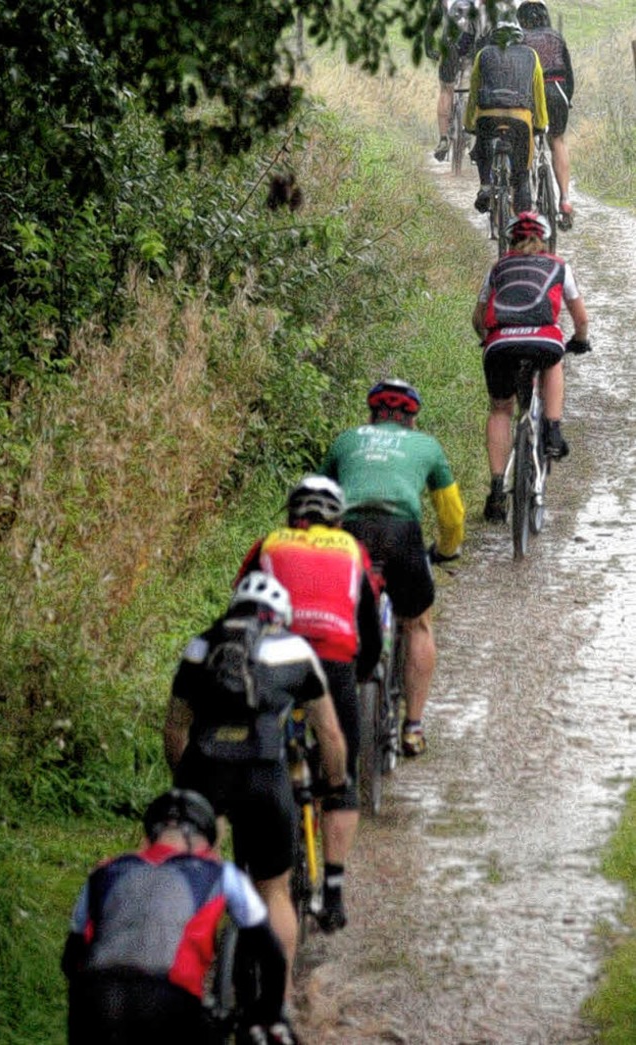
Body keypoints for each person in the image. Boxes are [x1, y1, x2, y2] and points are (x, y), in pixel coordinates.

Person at [163, 572, 347, 996]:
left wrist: (184, 787)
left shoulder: (199, 646)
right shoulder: (295, 650)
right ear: (278, 617)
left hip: (204, 772)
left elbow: (175, 729)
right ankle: (278, 1005)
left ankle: (177, 986)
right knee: (274, 890)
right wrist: (334, 783)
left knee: (187, 879)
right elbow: (330, 735)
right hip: (265, 774)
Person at [235, 475, 382, 933]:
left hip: (272, 659)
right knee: (341, 777)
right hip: (334, 664)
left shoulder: (269, 543)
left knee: (255, 760)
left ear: (290, 513)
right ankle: (333, 891)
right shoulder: (351, 550)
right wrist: (361, 673)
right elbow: (370, 625)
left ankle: (253, 865)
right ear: (336, 517)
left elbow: (239, 603)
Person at [62, 788, 298, 1045]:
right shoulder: (222, 874)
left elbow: (70, 959)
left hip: (93, 1001)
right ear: (206, 841)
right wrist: (268, 1014)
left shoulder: (105, 871)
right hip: (168, 1001)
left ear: (150, 836)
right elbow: (272, 955)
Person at [322, 379, 465, 759]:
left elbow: (318, 496)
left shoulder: (346, 440)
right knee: (417, 621)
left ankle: (332, 714)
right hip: (401, 533)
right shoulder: (427, 446)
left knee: (338, 616)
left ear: (371, 415)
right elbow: (451, 515)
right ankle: (413, 727)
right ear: (412, 420)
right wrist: (447, 551)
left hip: (348, 535)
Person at [472, 211, 590, 522]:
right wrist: (580, 340)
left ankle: (497, 490)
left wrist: (488, 340)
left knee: (500, 409)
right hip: (542, 341)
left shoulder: (498, 268)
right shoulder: (559, 266)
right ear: (546, 240)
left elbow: (478, 316)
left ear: (510, 240)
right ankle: (552, 429)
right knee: (554, 357)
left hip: (500, 344)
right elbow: (581, 319)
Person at [465, 4, 548, 215]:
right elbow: (538, 95)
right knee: (521, 176)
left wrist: (469, 124)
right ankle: (521, 228)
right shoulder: (532, 56)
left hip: (487, 116)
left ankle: (485, 186)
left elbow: (474, 93)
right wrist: (541, 124)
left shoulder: (483, 54)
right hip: (521, 118)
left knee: (482, 149)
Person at [517, 0, 575, 226]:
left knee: (527, 139)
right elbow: (569, 74)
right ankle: (565, 199)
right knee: (557, 140)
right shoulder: (557, 37)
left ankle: (524, 197)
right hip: (558, 90)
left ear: (521, 20)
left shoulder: (520, 38)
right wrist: (567, 99)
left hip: (531, 93)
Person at [425, 0, 489, 161]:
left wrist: (428, 47)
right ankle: (473, 136)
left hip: (449, 46)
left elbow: (433, 22)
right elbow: (486, 25)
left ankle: (443, 139)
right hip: (472, 46)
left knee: (446, 90)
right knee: (474, 89)